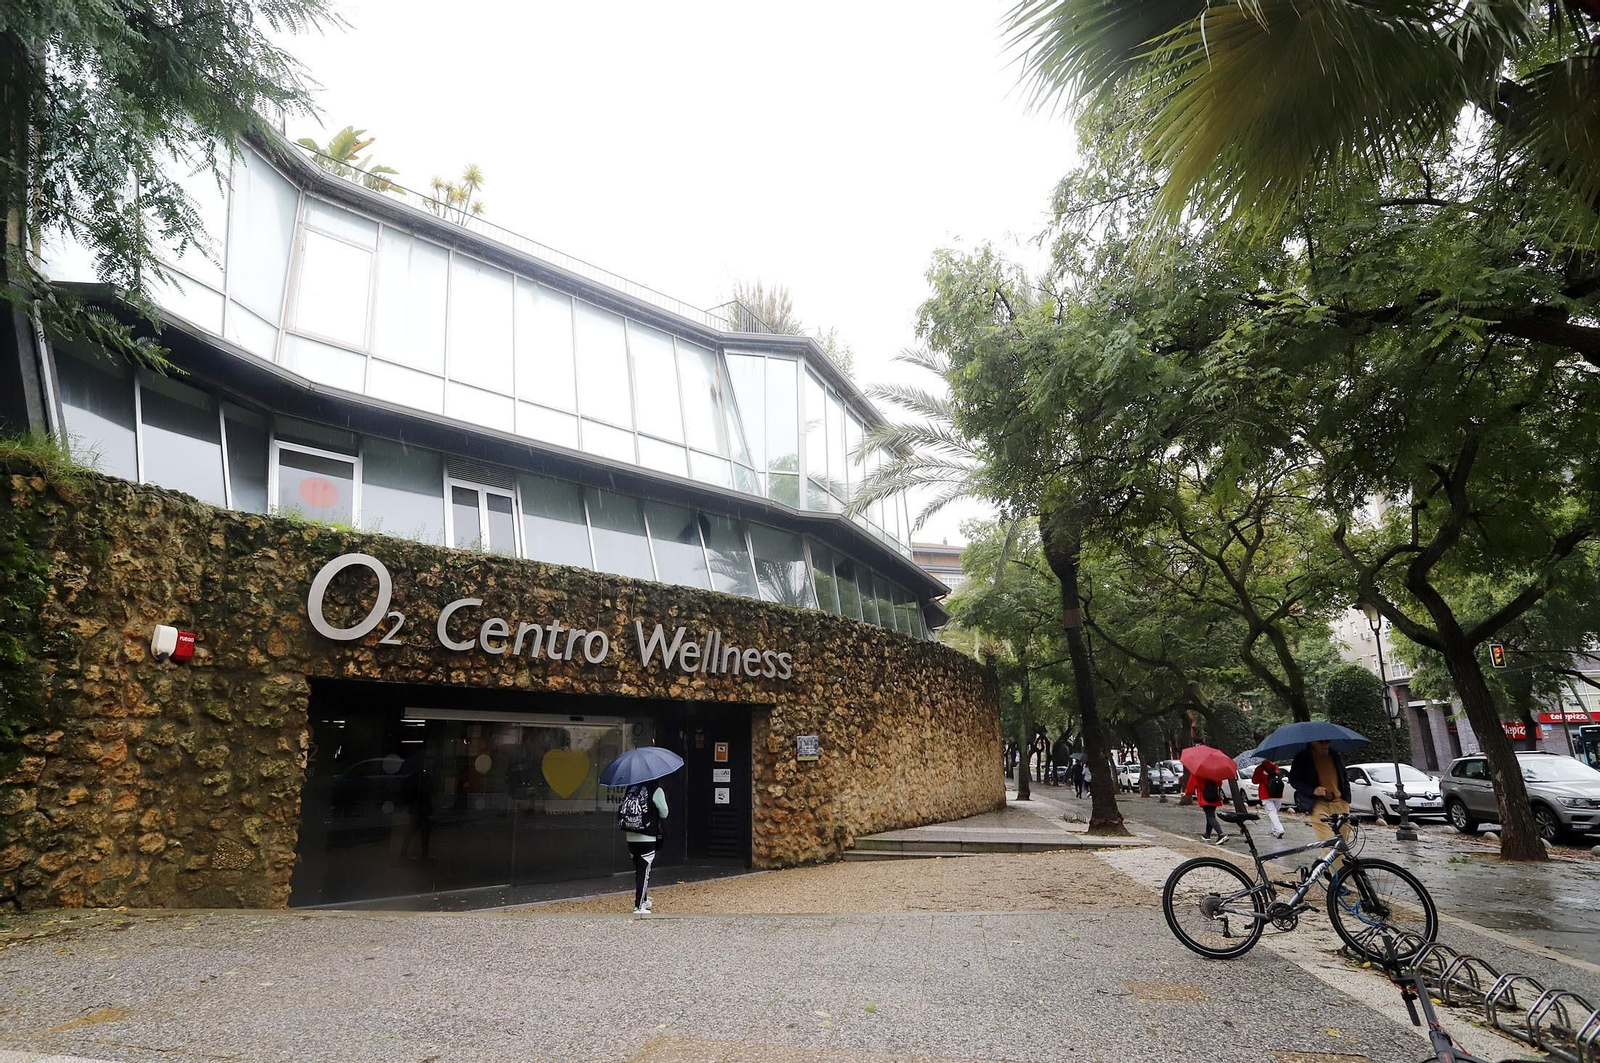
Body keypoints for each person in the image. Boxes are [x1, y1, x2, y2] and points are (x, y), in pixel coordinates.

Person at [1288, 739, 1353, 862]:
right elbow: (1294, 780)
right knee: (1329, 842)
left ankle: (1328, 867)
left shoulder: (1334, 754)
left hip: (1340, 802)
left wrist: (1346, 799)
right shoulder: (1302, 758)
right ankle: (1341, 879)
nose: (1325, 745)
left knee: (1342, 843)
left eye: (1327, 742)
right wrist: (1313, 790)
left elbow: (1343, 776)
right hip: (1318, 804)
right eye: (1321, 743)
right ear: (1312, 742)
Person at [618, 778, 669, 915]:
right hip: (647, 836)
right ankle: (638, 906)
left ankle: (644, 899)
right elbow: (664, 813)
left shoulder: (631, 788)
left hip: (630, 836)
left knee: (639, 870)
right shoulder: (656, 790)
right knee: (644, 872)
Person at [1184, 770, 1228, 843]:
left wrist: (1187, 793)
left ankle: (1221, 834)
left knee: (1210, 816)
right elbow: (1219, 783)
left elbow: (1191, 785)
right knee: (1210, 815)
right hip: (1214, 796)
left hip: (1204, 796)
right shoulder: (1214, 772)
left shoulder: (1197, 772)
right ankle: (1207, 835)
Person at [1252, 759, 1286, 839]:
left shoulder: (1259, 768)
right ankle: (1274, 831)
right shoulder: (1275, 767)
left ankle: (1279, 829)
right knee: (1275, 813)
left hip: (1265, 794)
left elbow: (1254, 781)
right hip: (1277, 793)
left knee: (1271, 813)